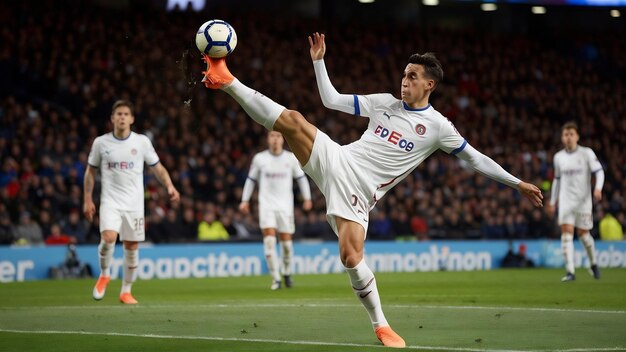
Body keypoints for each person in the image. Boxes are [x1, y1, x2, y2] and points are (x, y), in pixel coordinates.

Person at [199, 32, 543, 348]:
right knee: (293, 120)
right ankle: (226, 79)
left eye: (412, 77)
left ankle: (381, 325)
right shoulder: (384, 103)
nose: (404, 81)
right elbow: (331, 100)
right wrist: (319, 61)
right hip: (338, 159)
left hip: (361, 192)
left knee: (350, 256)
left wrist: (517, 182)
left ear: (430, 84)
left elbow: (475, 158)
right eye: (404, 74)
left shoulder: (438, 127)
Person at [83, 100, 180, 304]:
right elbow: (90, 172)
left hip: (134, 204)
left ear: (132, 119)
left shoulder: (141, 142)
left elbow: (158, 167)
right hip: (110, 201)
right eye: (118, 114)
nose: (122, 117)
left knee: (132, 246)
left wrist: (169, 186)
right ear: (112, 118)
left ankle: (126, 291)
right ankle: (105, 274)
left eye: (126, 114)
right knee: (109, 237)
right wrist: (87, 199)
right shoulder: (101, 143)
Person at [239, 131, 312, 290]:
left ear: (282, 139)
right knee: (270, 241)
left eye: (278, 136)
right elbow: (251, 180)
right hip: (266, 206)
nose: (275, 139)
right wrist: (245, 200)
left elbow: (301, 178)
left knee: (286, 245)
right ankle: (276, 278)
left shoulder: (290, 158)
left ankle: (286, 272)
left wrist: (307, 198)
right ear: (267, 139)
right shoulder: (260, 159)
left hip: (285, 207)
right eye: (272, 136)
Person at [546, 122, 604, 282]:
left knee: (584, 235)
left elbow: (599, 172)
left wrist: (598, 188)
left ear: (577, 136)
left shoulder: (586, 153)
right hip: (565, 202)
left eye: (571, 134)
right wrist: (553, 201)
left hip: (583, 202)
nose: (569, 137)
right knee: (566, 235)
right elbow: (557, 181)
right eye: (566, 134)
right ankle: (570, 271)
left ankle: (593, 263)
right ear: (562, 137)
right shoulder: (558, 157)